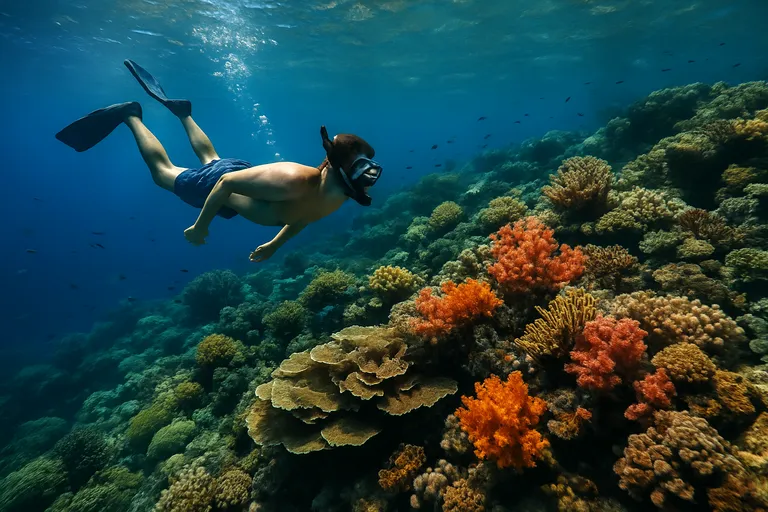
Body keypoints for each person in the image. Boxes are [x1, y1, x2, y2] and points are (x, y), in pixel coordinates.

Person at [55, 60, 382, 262]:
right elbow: (225, 184)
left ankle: (183, 114)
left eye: (366, 166)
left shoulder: (335, 196)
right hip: (224, 184)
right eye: (360, 166)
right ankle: (131, 116)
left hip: (245, 179)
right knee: (163, 173)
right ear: (336, 166)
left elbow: (304, 216)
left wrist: (273, 245)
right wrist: (201, 227)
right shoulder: (297, 180)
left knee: (212, 159)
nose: (368, 174)